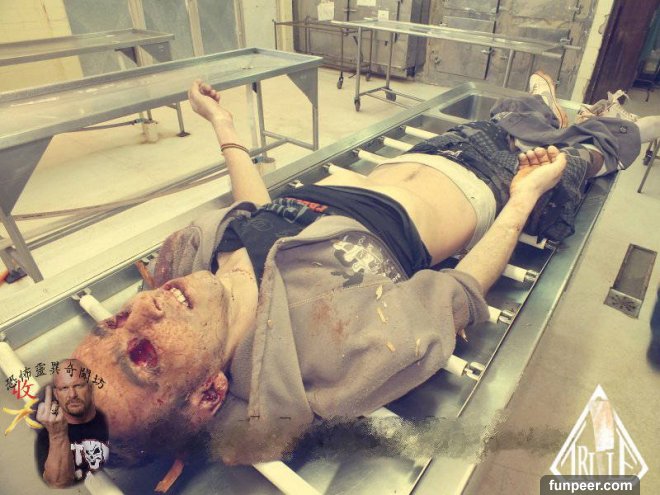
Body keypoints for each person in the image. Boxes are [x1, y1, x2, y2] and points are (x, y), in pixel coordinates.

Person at [71, 71, 654, 466]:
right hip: (492, 180)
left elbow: (257, 211)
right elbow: (459, 290)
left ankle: (546, 108)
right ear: (208, 394)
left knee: (513, 115)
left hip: (426, 156)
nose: (142, 307)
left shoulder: (202, 270)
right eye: (142, 354)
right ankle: (610, 126)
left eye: (113, 323)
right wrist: (524, 197)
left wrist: (223, 125)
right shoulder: (325, 353)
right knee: (597, 148)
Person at [35, 358, 109, 487]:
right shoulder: (46, 435)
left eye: (78, 386)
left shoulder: (109, 419)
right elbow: (59, 483)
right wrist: (57, 435)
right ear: (56, 394)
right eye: (64, 388)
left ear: (90, 388)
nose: (72, 394)